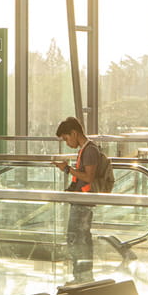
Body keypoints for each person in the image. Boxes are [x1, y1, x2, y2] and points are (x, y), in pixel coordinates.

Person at [53, 116, 111, 280]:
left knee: (77, 238)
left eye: (66, 138)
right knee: (80, 237)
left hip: (84, 202)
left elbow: (88, 177)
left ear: (74, 133)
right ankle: (81, 274)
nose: (67, 143)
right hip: (81, 200)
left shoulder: (90, 150)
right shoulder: (86, 150)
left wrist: (67, 169)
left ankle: (82, 275)